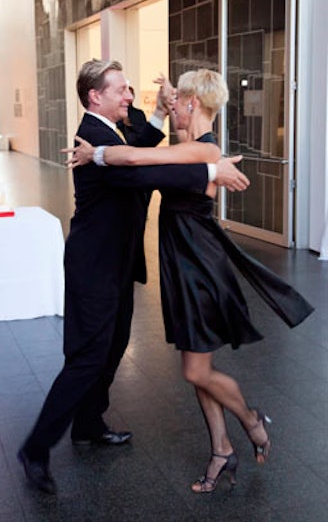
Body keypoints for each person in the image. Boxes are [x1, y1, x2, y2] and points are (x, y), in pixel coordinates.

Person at [67, 68, 314, 494]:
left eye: (179, 100)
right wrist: (166, 102)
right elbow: (151, 155)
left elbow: (139, 163)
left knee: (196, 369)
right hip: (182, 265)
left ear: (193, 104)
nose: (172, 104)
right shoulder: (193, 148)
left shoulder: (204, 152)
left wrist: (98, 155)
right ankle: (221, 450)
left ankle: (251, 420)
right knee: (198, 366)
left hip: (200, 268)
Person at [17, 59, 250, 494]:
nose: (130, 96)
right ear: (96, 97)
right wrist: (211, 170)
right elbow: (143, 170)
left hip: (117, 262)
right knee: (87, 357)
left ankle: (89, 424)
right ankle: (35, 449)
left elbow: (140, 147)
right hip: (94, 266)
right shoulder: (93, 137)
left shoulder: (107, 132)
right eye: (122, 90)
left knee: (113, 347)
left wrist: (161, 116)